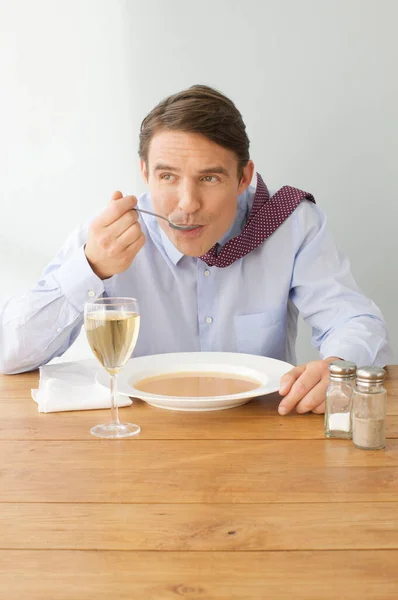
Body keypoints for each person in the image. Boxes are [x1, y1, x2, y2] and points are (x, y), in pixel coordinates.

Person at [0, 85, 393, 415]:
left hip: (262, 435)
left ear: (244, 178)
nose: (187, 203)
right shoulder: (108, 236)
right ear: (145, 174)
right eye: (167, 176)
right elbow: (10, 352)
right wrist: (90, 268)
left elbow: (354, 320)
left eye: (209, 177)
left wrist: (338, 368)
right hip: (140, 437)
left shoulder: (290, 224)